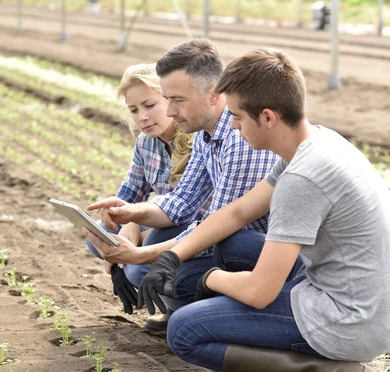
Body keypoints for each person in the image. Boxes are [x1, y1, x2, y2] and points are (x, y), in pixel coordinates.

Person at [138, 48, 390, 371]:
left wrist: (210, 280)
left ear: (268, 117)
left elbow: (259, 293)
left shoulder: (302, 178)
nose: (232, 127)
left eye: (238, 117)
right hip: (364, 296)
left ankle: (329, 368)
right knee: (230, 243)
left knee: (184, 330)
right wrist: (173, 256)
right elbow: (238, 212)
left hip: (349, 321)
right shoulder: (316, 143)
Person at [85, 39, 278, 331]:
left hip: (261, 250)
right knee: (145, 260)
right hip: (226, 241)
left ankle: (237, 317)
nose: (170, 111)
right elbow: (182, 202)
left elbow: (217, 226)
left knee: (169, 276)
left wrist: (145, 255)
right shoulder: (204, 134)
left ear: (212, 94)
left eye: (176, 100)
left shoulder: (240, 138)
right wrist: (131, 213)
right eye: (168, 99)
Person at [85, 63, 199, 316]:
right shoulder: (145, 143)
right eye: (134, 110)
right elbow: (129, 194)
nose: (142, 117)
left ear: (169, 100)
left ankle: (181, 312)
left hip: (195, 228)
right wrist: (123, 222)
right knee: (99, 236)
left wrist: (135, 242)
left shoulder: (196, 141)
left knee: (137, 264)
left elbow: (193, 211)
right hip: (163, 219)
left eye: (150, 105)